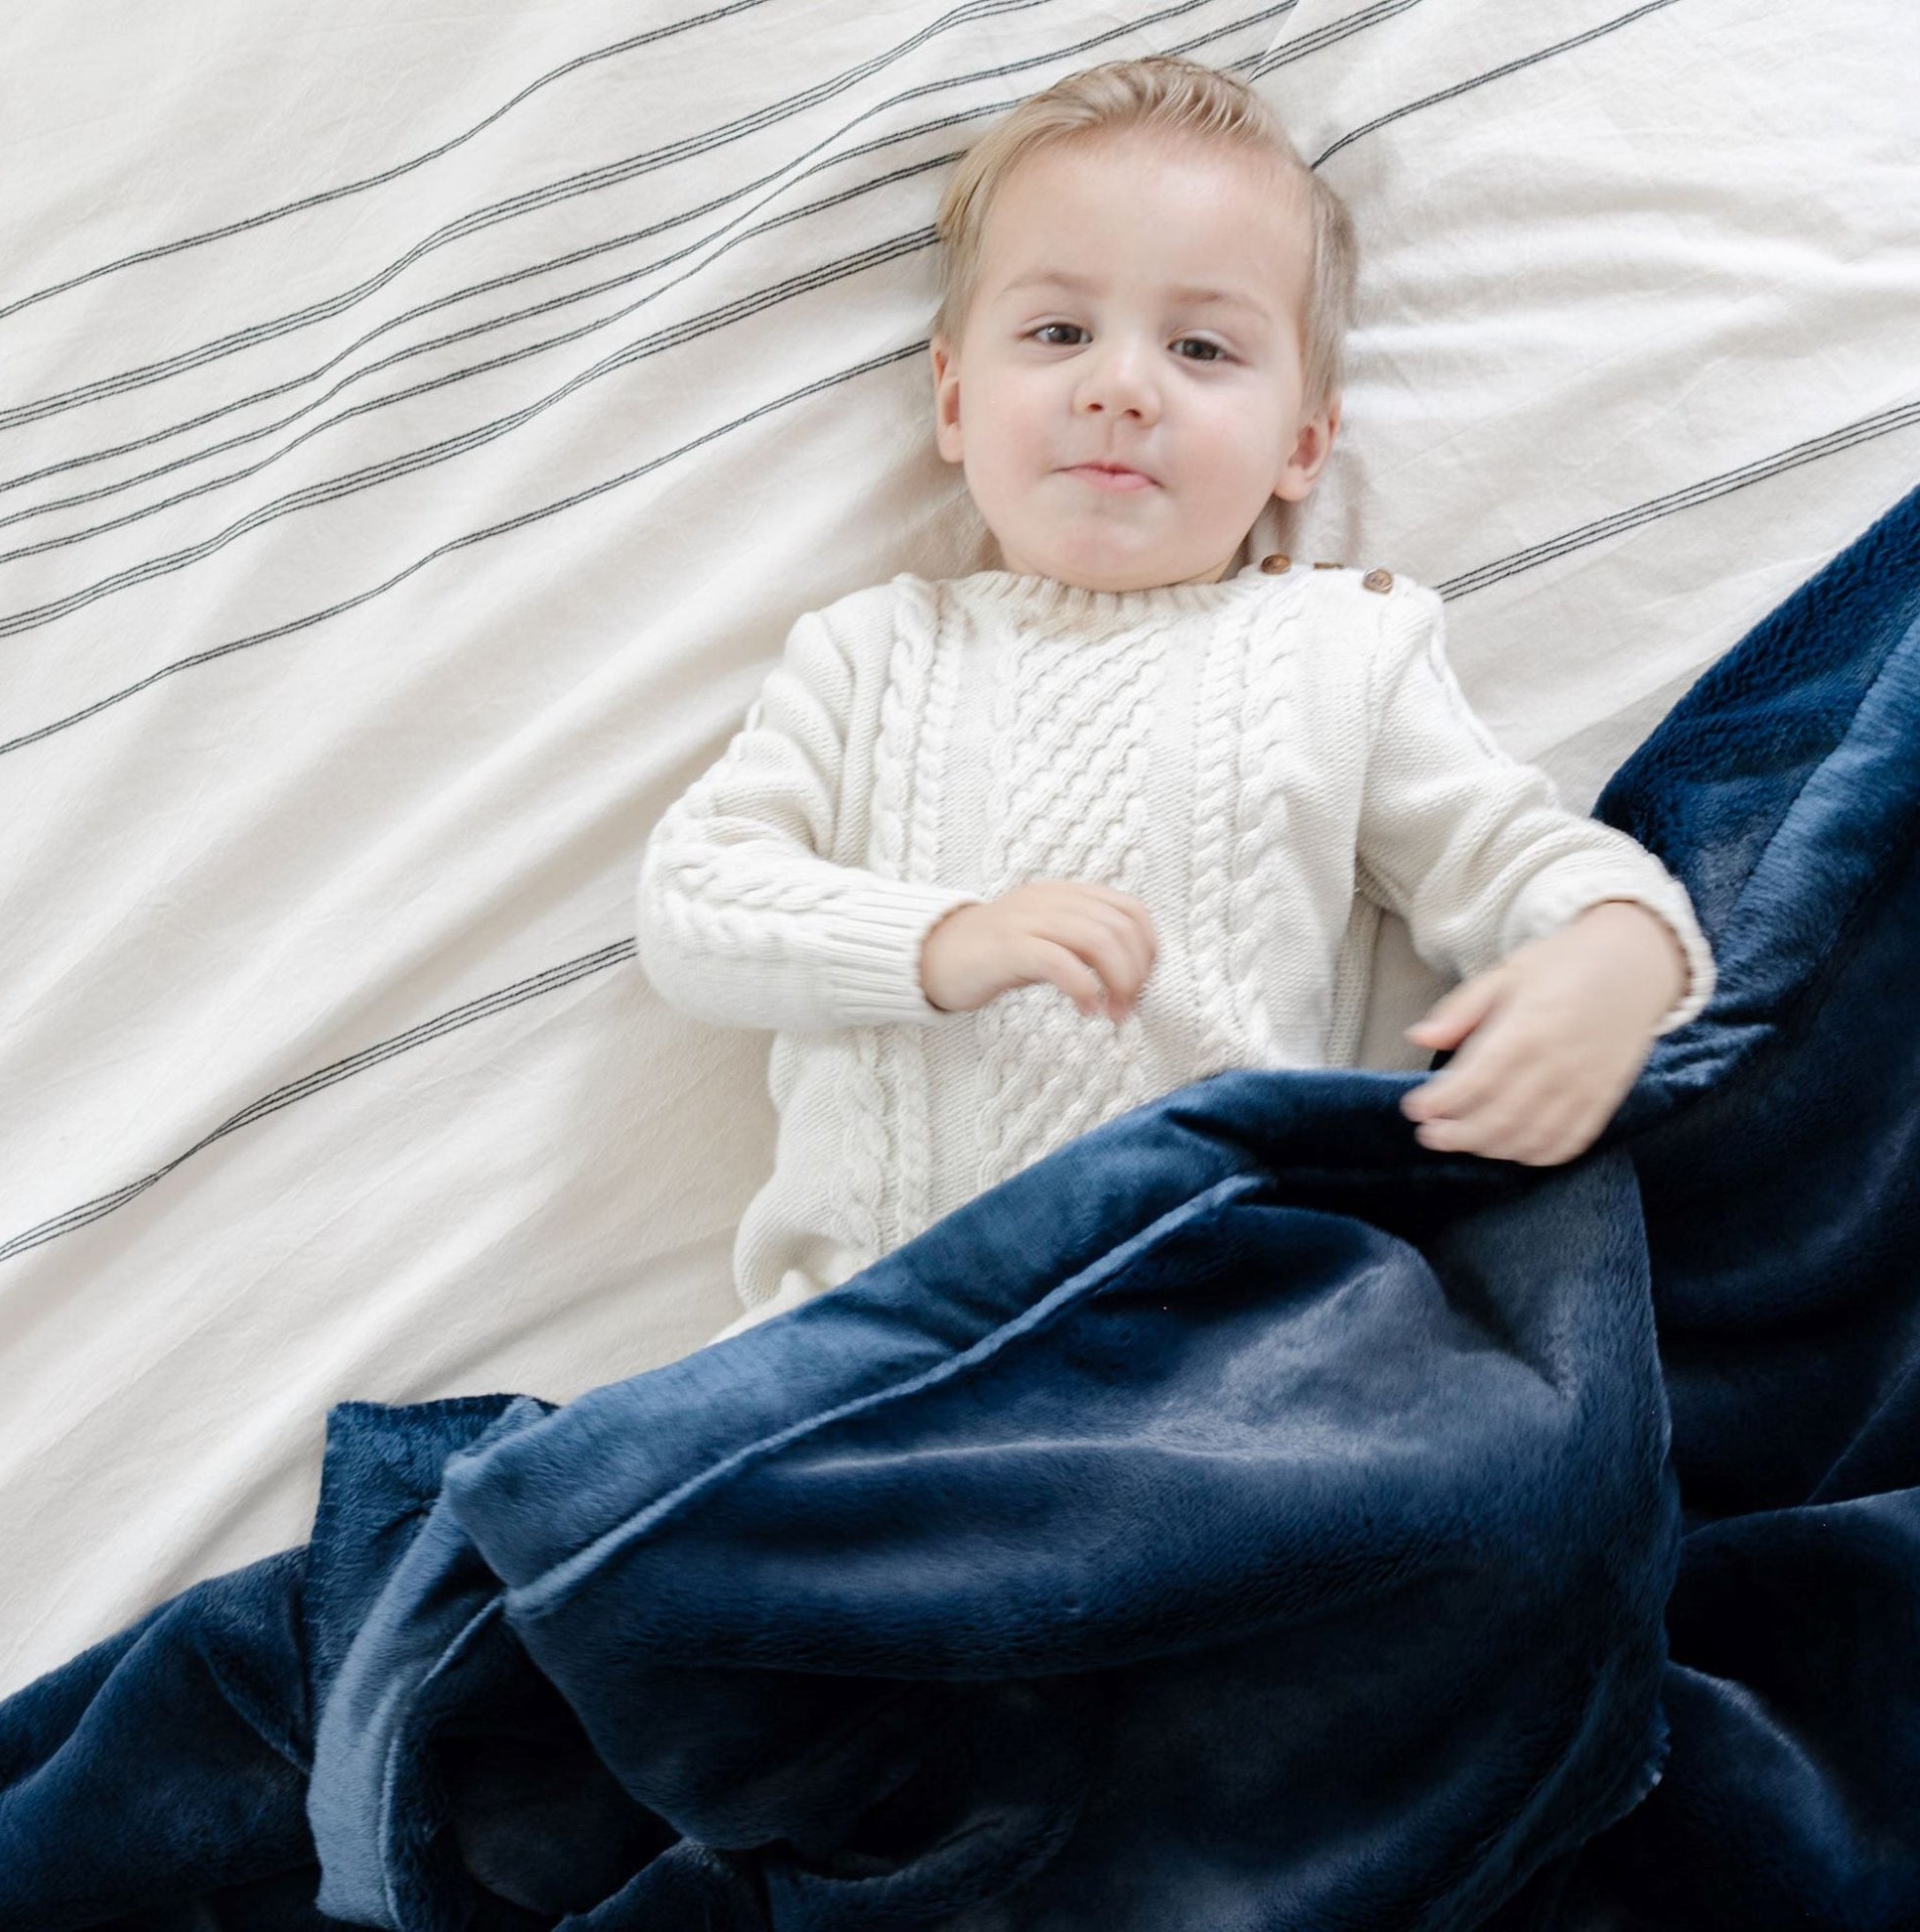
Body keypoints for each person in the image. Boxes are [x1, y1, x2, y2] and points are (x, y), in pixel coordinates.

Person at [636, 55, 1714, 1340]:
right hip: (861, 1338)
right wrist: (941, 939)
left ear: (1301, 442)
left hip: (1213, 1336)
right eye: (1056, 332)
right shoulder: (866, 653)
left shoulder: (1337, 653)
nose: (1121, 384)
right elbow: (693, 901)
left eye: (1200, 347)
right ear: (953, 397)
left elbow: (1505, 853)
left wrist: (1615, 948)